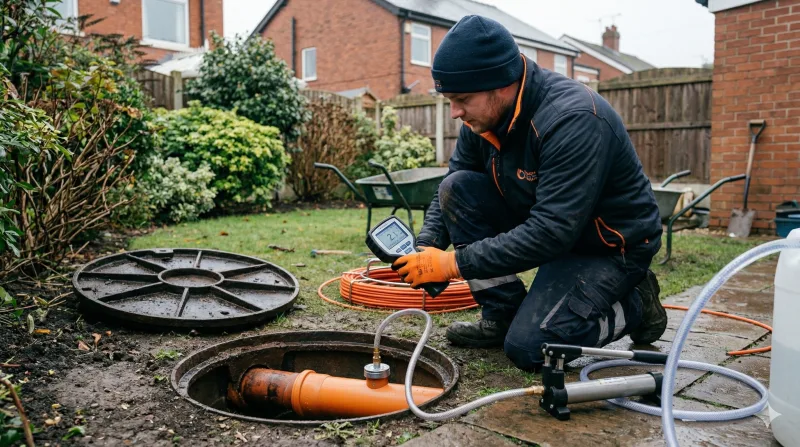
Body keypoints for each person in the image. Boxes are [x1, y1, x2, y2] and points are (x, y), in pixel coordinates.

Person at [392, 15, 666, 371]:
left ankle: (635, 304)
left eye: (461, 99)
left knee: (534, 349)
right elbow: (455, 182)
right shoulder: (483, 120)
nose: (455, 112)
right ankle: (502, 313)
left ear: (502, 85)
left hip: (611, 246)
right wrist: (428, 246)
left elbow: (551, 232)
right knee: (456, 189)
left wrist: (452, 264)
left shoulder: (573, 119)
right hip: (550, 226)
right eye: (449, 99)